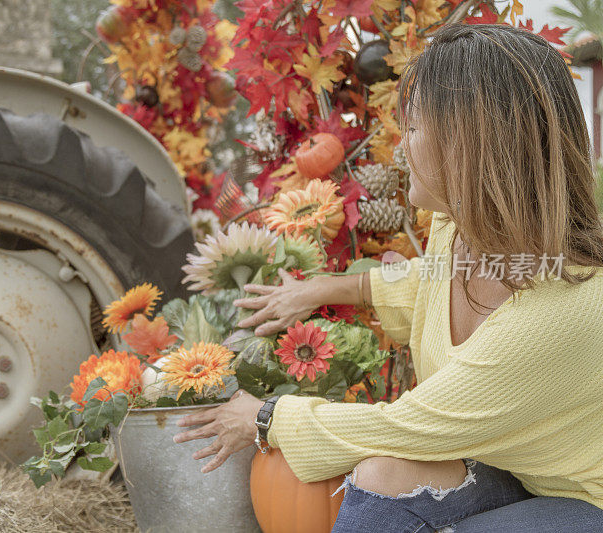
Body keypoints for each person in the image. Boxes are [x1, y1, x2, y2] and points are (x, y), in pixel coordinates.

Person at [171, 22, 603, 532]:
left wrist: (267, 418)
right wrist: (325, 288)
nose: (402, 144)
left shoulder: (559, 312)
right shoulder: (461, 231)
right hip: (519, 467)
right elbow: (431, 279)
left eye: (415, 127)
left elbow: (409, 425)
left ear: (469, 143)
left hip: (583, 499)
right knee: (382, 476)